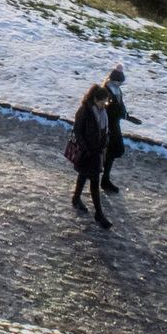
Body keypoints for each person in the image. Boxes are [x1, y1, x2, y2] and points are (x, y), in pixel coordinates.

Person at [70, 83, 113, 229]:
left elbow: (105, 130)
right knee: (94, 182)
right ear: (95, 99)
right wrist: (86, 149)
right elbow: (77, 131)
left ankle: (76, 198)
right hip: (88, 152)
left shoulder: (102, 112)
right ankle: (99, 214)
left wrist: (106, 139)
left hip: (97, 152)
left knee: (83, 175)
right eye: (103, 102)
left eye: (106, 102)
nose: (104, 104)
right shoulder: (84, 111)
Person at [100, 62, 142, 194]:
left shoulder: (117, 90)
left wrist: (127, 116)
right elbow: (107, 110)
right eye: (118, 82)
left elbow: (120, 106)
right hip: (108, 126)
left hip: (115, 124)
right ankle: (103, 178)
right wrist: (122, 114)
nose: (120, 85)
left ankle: (105, 177)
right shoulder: (106, 91)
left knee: (113, 151)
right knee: (111, 150)